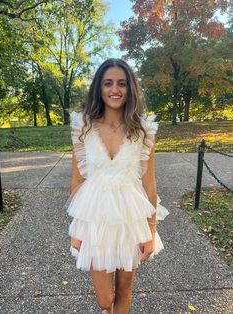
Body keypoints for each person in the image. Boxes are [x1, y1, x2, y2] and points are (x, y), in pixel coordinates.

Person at [65, 58, 169, 314]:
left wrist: (151, 229)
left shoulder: (143, 129)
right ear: (99, 88)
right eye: (108, 83)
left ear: (130, 88)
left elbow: (149, 181)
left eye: (122, 83)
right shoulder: (83, 127)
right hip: (95, 220)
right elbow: (77, 179)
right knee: (104, 298)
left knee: (124, 290)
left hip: (130, 218)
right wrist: (77, 228)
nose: (115, 89)